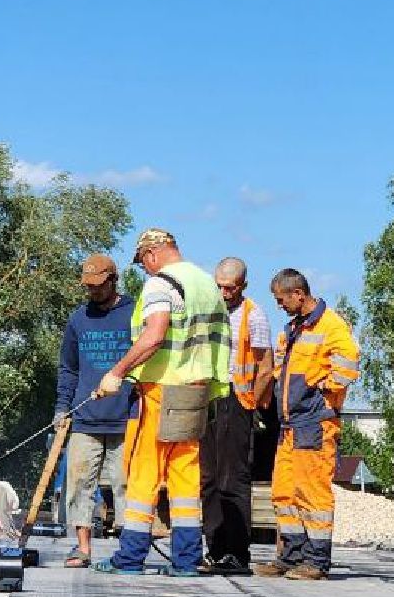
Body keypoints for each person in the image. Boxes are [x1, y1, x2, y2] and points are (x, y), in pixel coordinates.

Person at [90, 228, 231, 576]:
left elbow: (154, 335)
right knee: (185, 478)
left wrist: (118, 371)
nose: (145, 269)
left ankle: (130, 557)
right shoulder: (206, 284)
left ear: (152, 254)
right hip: (196, 390)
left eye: (143, 263)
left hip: (161, 390)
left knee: (143, 475)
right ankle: (185, 560)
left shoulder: (160, 284)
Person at [255, 268, 360, 580]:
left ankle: (316, 561)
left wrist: (323, 392)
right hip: (290, 423)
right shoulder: (293, 328)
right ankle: (292, 555)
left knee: (312, 492)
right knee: (285, 492)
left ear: (298, 294)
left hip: (314, 423)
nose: (279, 305)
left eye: (281, 299)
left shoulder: (331, 325)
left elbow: (349, 361)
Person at [52, 253, 135, 566]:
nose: (94, 292)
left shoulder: (134, 314)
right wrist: (62, 407)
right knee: (79, 484)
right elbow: (68, 369)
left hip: (125, 417)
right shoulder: (78, 319)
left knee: (125, 484)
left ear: (113, 279)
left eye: (99, 285)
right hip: (85, 419)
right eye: (89, 287)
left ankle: (128, 549)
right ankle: (83, 548)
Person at [199, 257, 273, 574]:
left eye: (229, 287)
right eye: (219, 286)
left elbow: (266, 367)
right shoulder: (209, 311)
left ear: (242, 285)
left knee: (233, 479)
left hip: (237, 399)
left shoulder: (253, 316)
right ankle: (215, 549)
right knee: (209, 479)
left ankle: (236, 553)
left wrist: (250, 404)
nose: (223, 292)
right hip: (210, 397)